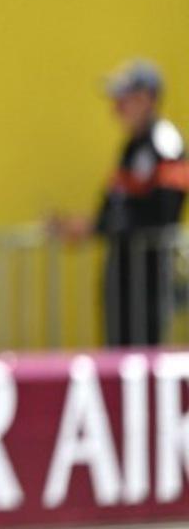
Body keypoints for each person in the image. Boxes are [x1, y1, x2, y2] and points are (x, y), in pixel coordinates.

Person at [49, 59, 189, 345]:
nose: (116, 106)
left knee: (144, 358)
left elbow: (163, 213)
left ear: (147, 98)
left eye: (124, 98)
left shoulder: (165, 142)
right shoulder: (131, 146)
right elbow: (114, 206)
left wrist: (98, 227)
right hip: (123, 273)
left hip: (148, 276)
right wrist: (90, 225)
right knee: (119, 350)